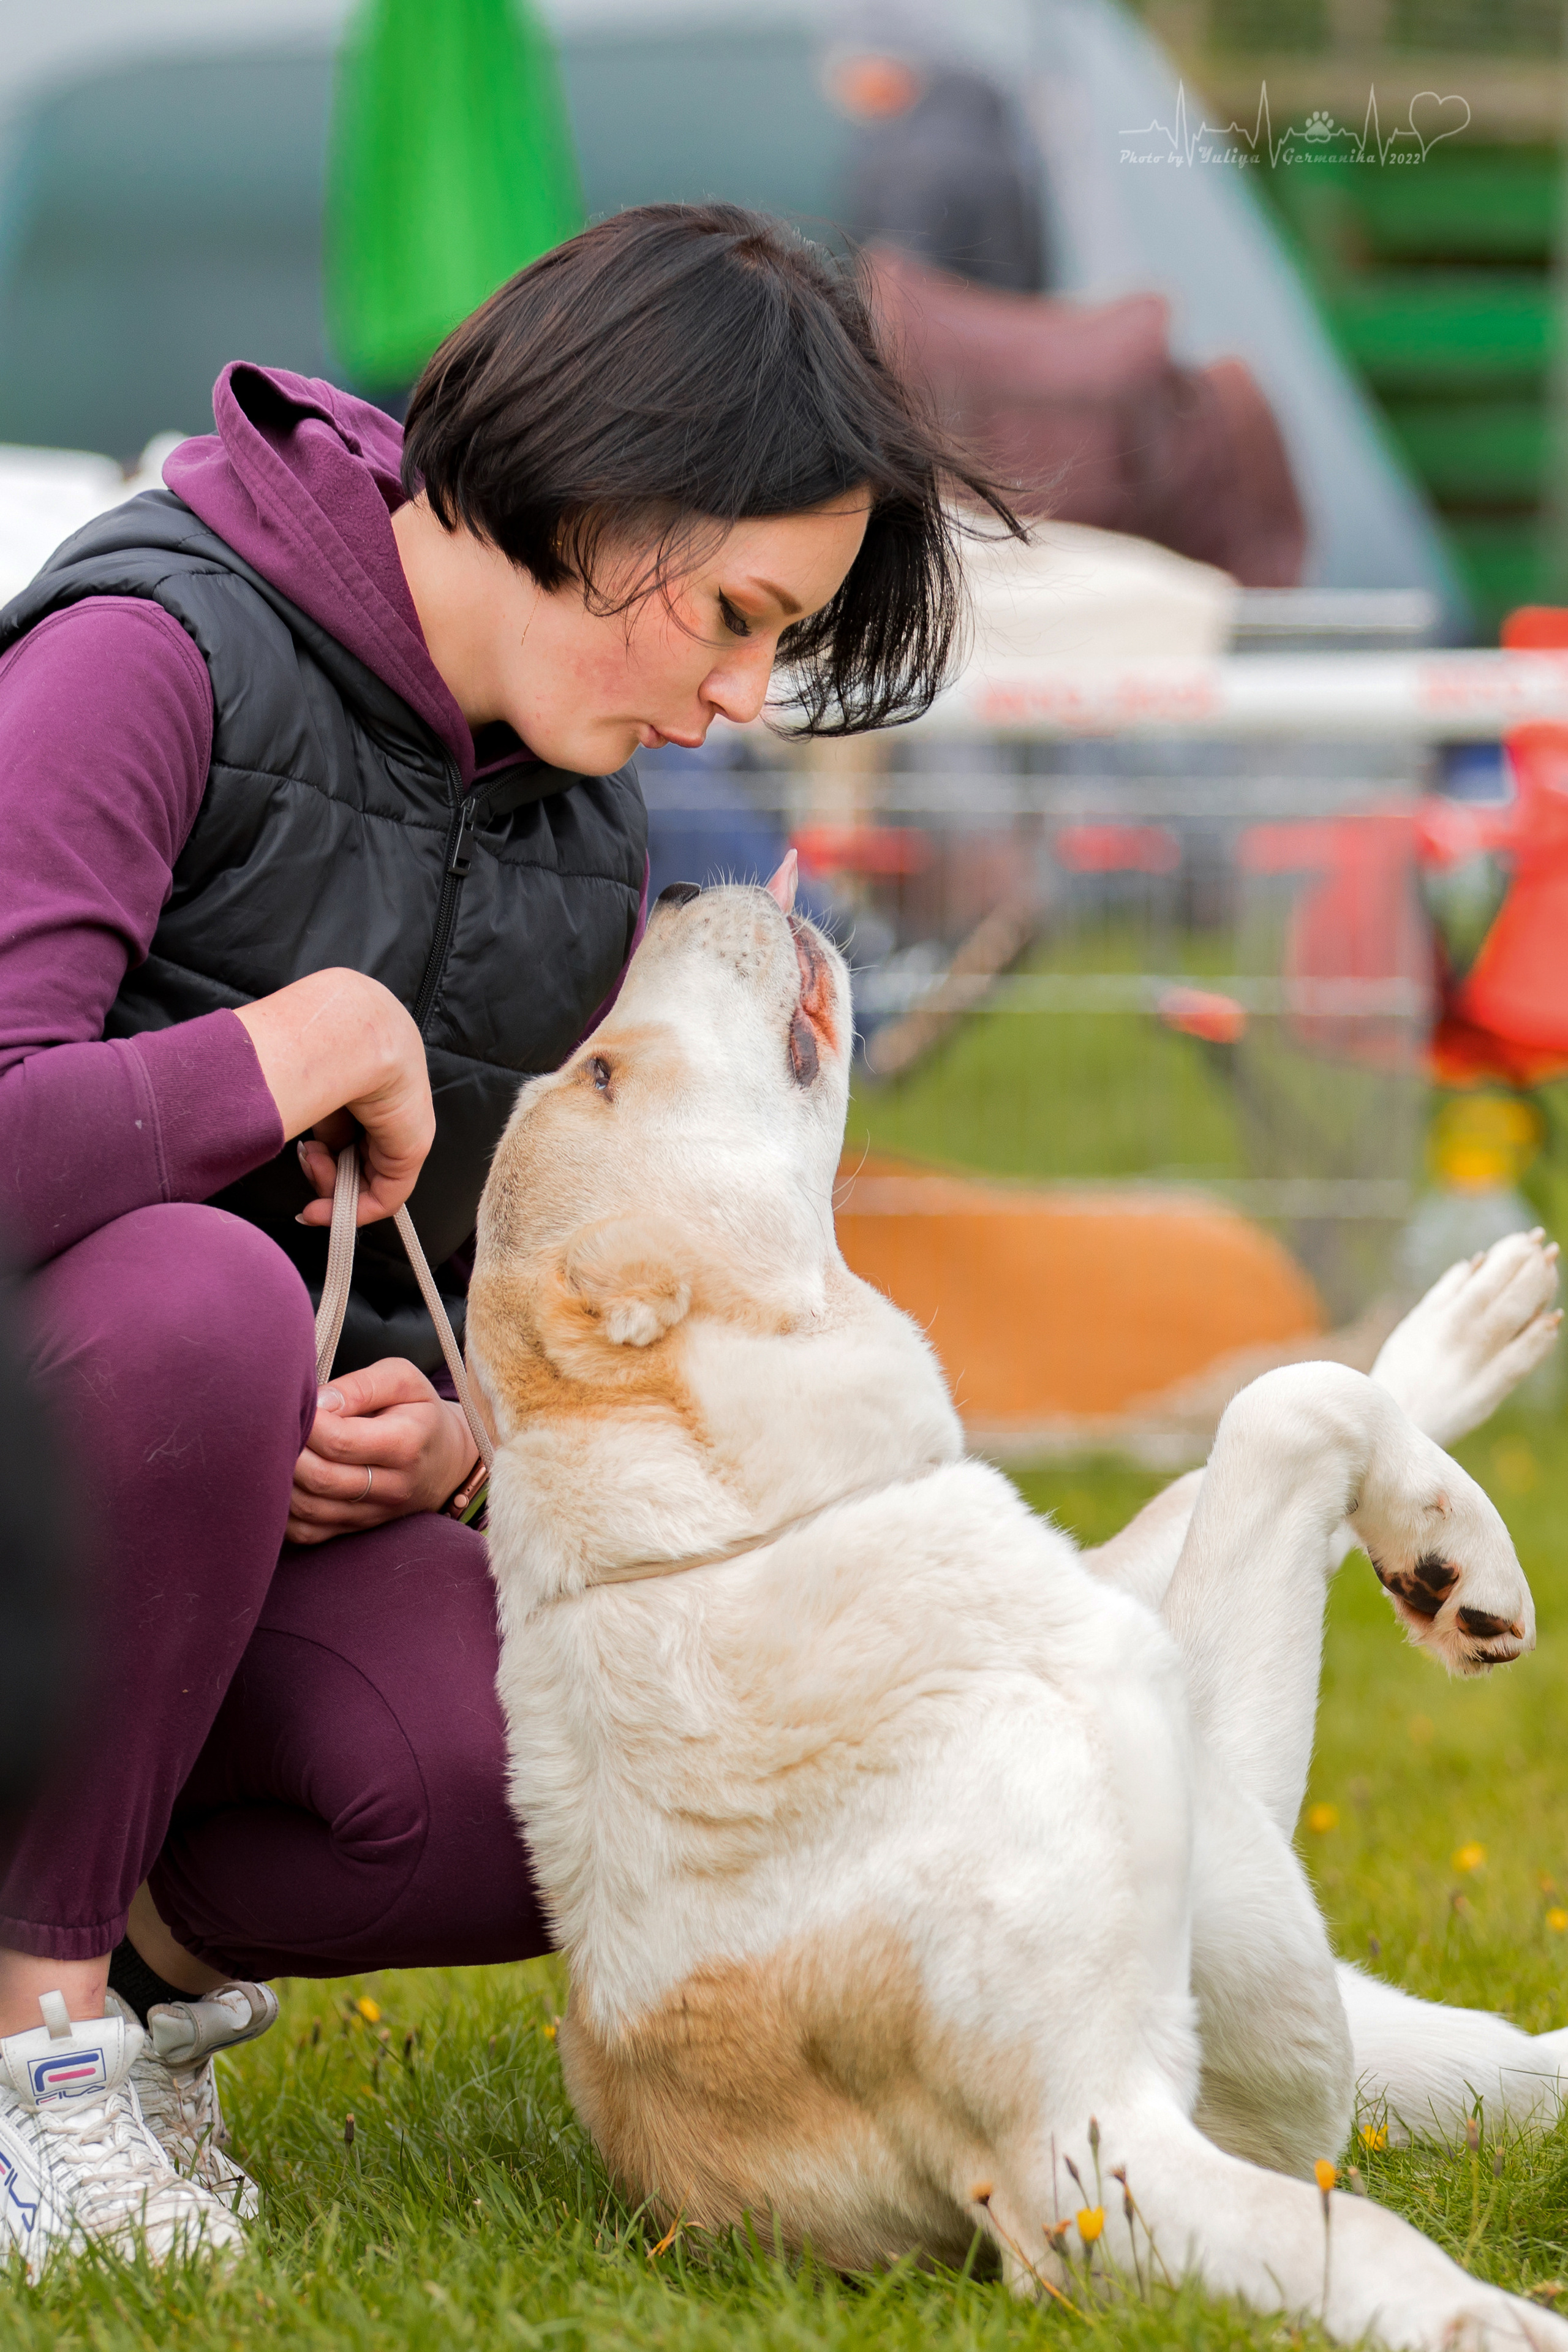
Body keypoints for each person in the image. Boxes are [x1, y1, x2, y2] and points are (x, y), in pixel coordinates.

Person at [0, 201, 1009, 2268]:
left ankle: (132, 1977)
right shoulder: (143, 653)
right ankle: (41, 2048)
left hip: (168, 1558)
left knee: (561, 1755)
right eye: (733, 612)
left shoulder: (582, 830)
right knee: (193, 1303)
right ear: (612, 481)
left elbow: (486, 1300)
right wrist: (286, 1046)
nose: (736, 697)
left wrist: (448, 1440)